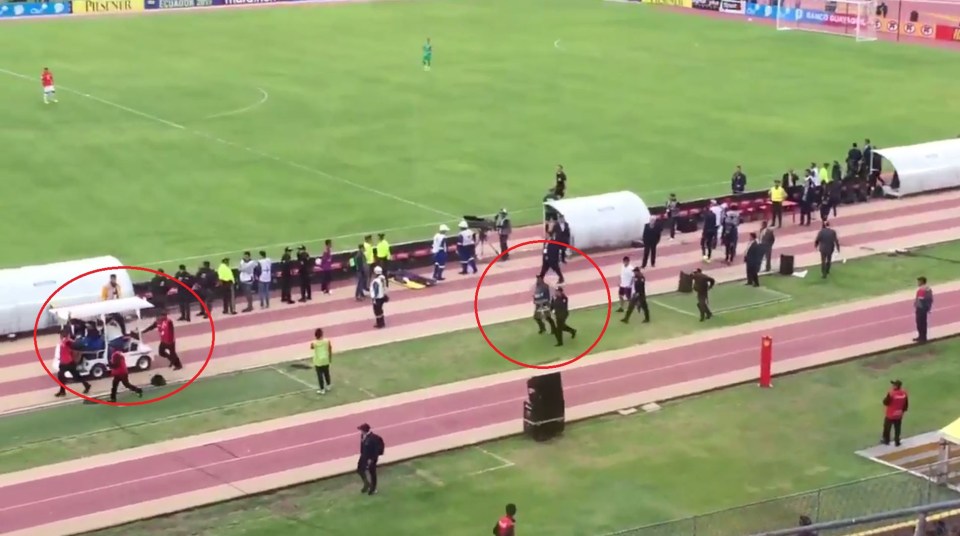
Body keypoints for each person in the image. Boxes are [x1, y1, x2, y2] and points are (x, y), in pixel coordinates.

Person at [54, 332, 91, 397]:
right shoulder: (62, 342)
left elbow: (74, 344)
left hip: (68, 363)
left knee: (75, 376)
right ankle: (62, 391)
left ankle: (87, 385)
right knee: (61, 376)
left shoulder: (67, 341)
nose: (61, 336)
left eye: (61, 335)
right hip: (63, 363)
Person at [357, 423, 384, 495]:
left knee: (372, 472)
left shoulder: (373, 438)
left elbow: (375, 450)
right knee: (360, 469)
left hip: (371, 457)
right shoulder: (363, 435)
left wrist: (371, 459)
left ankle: (373, 488)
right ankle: (367, 484)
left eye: (361, 430)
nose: (360, 431)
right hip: (364, 456)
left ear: (365, 430)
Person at [881, 380, 909, 447]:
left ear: (896, 386)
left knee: (887, 427)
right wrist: (902, 411)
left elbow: (885, 402)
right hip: (899, 414)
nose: (892, 386)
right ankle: (897, 441)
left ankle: (886, 440)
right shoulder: (904, 393)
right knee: (897, 428)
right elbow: (906, 404)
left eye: (893, 385)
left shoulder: (891, 394)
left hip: (890, 414)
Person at [310, 328, 332, 394]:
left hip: (318, 361)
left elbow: (311, 347)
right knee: (326, 373)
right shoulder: (327, 341)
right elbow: (330, 348)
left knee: (320, 375)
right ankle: (328, 385)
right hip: (325, 359)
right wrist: (330, 358)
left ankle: (322, 389)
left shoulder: (314, 343)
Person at [914, 276, 934, 343]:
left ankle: (922, 337)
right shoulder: (927, 288)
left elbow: (920, 300)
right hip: (924, 308)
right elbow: (930, 299)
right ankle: (922, 337)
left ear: (922, 282)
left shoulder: (922, 289)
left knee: (920, 323)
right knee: (923, 323)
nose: (918, 283)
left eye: (919, 281)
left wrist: (917, 306)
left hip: (921, 309)